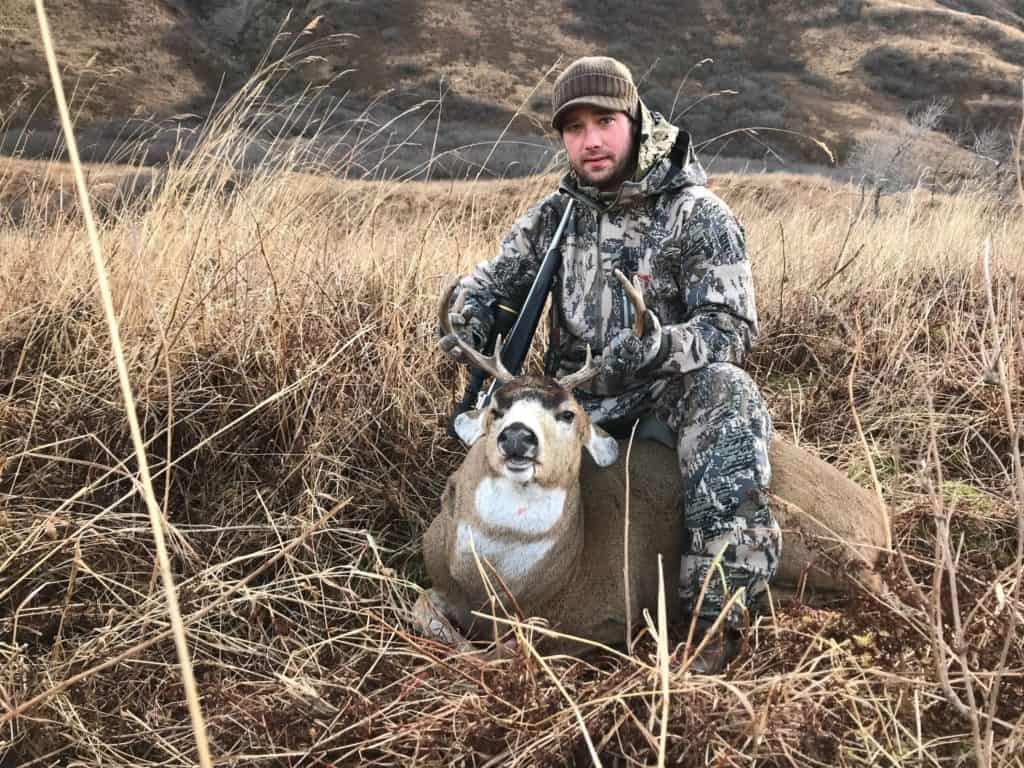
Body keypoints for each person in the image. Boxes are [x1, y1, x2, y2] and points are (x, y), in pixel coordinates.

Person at [440, 56, 780, 673]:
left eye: (604, 122)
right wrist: (469, 314)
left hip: (665, 395)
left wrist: (655, 348)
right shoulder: (556, 216)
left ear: (635, 121)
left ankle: (717, 614)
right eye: (574, 128)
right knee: (493, 431)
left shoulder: (697, 214)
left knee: (728, 392)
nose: (590, 140)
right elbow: (491, 280)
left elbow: (732, 329)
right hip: (575, 401)